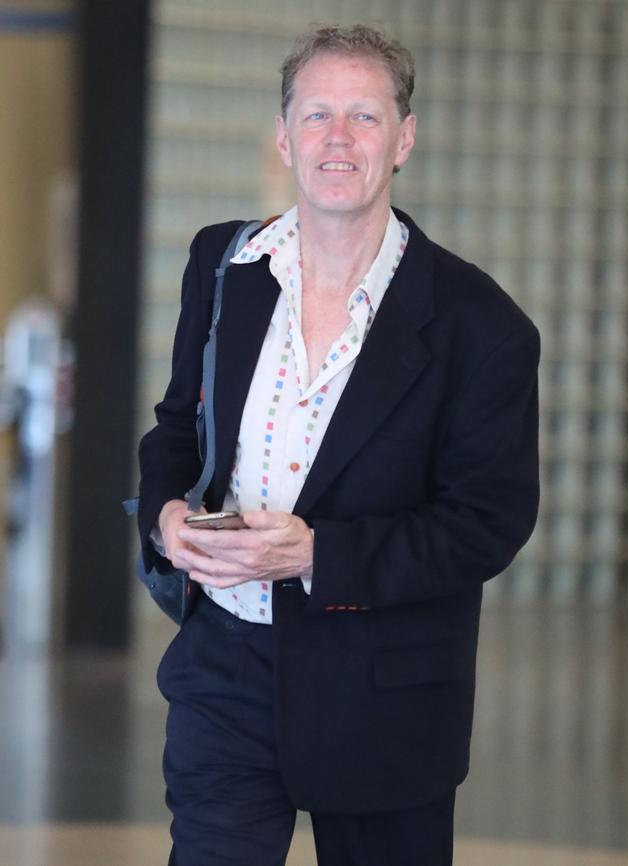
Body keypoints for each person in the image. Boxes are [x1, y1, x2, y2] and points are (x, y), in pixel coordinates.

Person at [137, 24, 540, 866]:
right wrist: (169, 514)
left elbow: (487, 522)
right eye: (317, 115)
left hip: (384, 692)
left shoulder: (482, 325)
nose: (338, 139)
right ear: (283, 136)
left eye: (365, 116)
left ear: (405, 139)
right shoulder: (224, 264)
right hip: (225, 670)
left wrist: (318, 554)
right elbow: (179, 425)